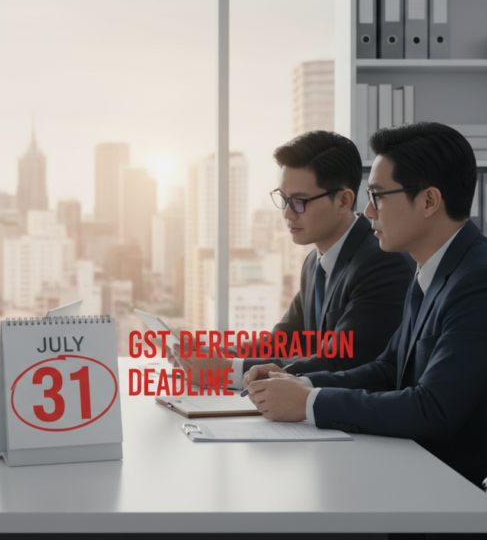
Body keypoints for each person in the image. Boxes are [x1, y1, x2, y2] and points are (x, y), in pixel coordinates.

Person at [244, 123, 487, 539]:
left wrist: (309, 402)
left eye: (378, 197)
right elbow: (389, 368)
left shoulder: (483, 283)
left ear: (428, 201)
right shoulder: (434, 269)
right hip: (443, 481)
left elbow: (432, 410)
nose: (369, 213)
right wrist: (301, 382)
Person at [176, 130, 413, 387]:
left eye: (299, 202)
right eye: (284, 199)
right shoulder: (314, 262)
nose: (288, 214)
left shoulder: (382, 261)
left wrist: (225, 371)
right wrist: (211, 354)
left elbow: (343, 362)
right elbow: (282, 341)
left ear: (344, 200)